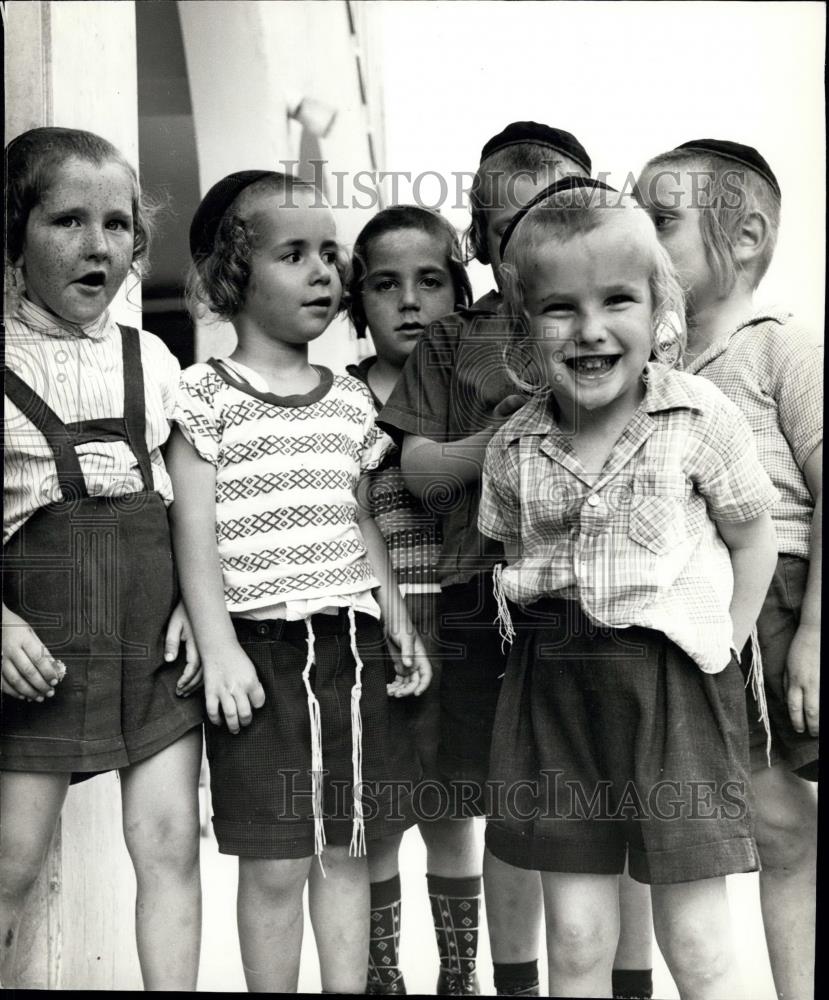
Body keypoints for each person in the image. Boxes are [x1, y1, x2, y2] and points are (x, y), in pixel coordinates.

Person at [479, 177, 780, 999]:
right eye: (558, 309)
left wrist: (723, 641)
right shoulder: (513, 446)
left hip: (673, 690)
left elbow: (754, 537)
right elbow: (513, 551)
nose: (589, 330)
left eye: (617, 300)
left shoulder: (698, 416)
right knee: (574, 937)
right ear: (523, 325)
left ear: (659, 310)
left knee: (695, 938)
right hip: (554, 693)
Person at [377, 122, 630, 998]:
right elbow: (417, 472)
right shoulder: (454, 341)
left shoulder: (620, 331)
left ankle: (625, 979)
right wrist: (507, 441)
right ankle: (513, 981)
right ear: (481, 244)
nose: (525, 242)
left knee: (610, 797)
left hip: (599, 598)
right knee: (506, 804)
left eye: (549, 217)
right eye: (503, 225)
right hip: (478, 596)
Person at [167, 170, 431, 993]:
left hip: (350, 648)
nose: (325, 272)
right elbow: (194, 530)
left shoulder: (350, 402)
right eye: (294, 254)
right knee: (277, 863)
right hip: (259, 651)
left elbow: (359, 520)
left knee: (347, 852)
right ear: (230, 279)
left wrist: (397, 617)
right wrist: (220, 648)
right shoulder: (205, 395)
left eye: (329, 254)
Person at [1, 127, 204, 989]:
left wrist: (203, 608)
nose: (98, 246)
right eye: (67, 222)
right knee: (9, 859)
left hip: (152, 640)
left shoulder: (153, 358)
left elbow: (195, 502)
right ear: (13, 236)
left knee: (167, 849)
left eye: (118, 225)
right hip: (38, 647)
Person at [636, 139, 821, 1000]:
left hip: (783, 603)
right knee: (747, 824)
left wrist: (814, 632)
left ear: (743, 236)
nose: (638, 237)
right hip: (695, 617)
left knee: (788, 824)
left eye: (659, 220)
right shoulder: (651, 372)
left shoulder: (779, 348)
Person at [346, 205, 473, 995]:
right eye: (385, 284)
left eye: (429, 281)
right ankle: (380, 975)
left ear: (459, 291)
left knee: (453, 811)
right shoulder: (342, 400)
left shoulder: (474, 399)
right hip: (377, 630)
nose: (409, 301)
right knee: (381, 816)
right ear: (358, 302)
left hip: (461, 622)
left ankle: (461, 976)